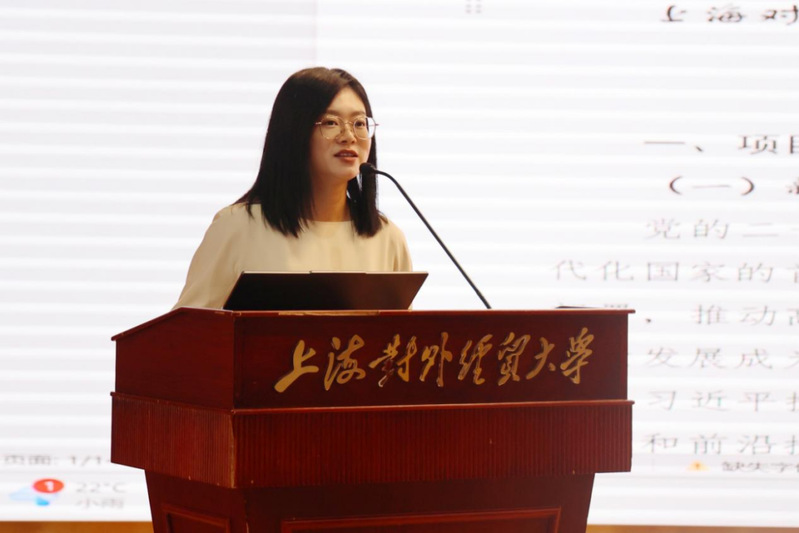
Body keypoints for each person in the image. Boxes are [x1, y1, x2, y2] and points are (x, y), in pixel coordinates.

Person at [173, 67, 412, 309]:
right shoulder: (237, 228)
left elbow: (404, 332)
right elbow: (186, 328)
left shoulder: (387, 238)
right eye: (331, 122)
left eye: (359, 123)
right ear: (294, 132)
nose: (349, 136)